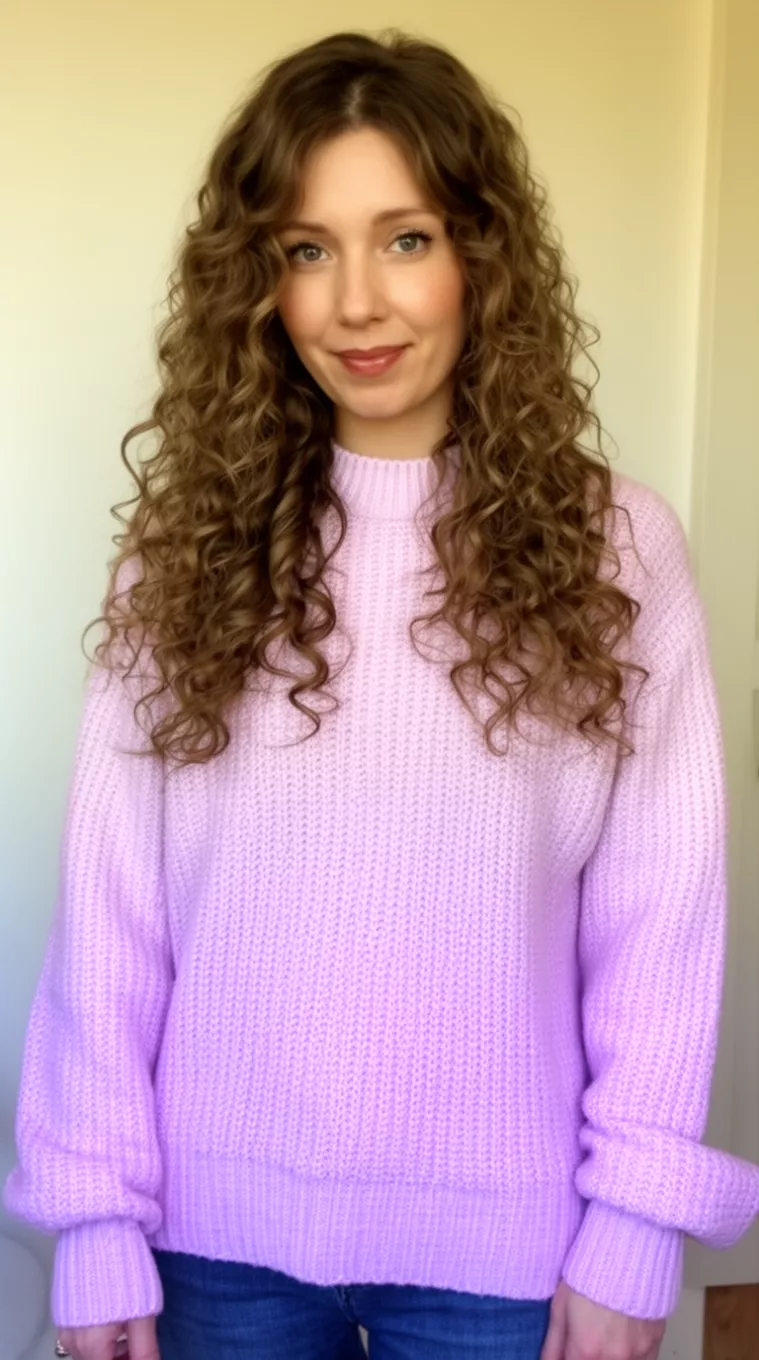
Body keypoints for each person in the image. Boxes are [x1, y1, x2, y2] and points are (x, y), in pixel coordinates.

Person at [4, 26, 759, 1360]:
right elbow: (109, 915)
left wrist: (636, 1223)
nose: (356, 302)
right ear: (258, 285)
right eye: (306, 250)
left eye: (404, 237)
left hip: (508, 1262)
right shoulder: (180, 559)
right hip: (209, 1245)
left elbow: (660, 919)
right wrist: (94, 1218)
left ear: (482, 256)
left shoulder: (617, 553)